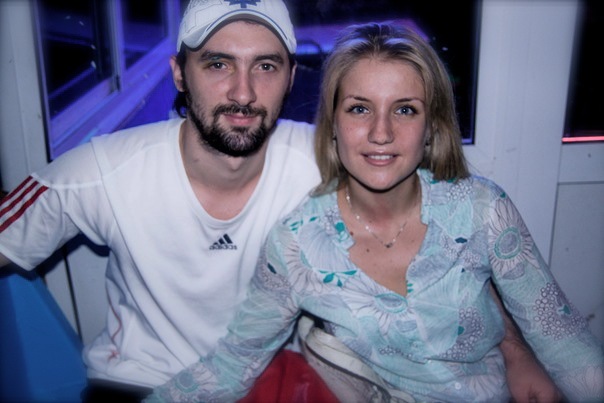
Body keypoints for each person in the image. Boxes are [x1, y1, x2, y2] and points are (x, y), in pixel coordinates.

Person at [0, 1, 564, 402]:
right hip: (137, 383)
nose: (243, 92)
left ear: (291, 77)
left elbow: (452, 240)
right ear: (179, 73)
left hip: (271, 383)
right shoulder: (103, 172)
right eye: (218, 64)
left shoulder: (331, 162)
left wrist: (516, 354)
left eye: (265, 66)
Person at [147, 22, 604, 402]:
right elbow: (231, 365)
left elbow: (567, 345)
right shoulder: (297, 246)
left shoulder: (482, 210)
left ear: (431, 127)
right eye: (359, 108)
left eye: (404, 110)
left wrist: (523, 356)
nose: (380, 133)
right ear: (333, 124)